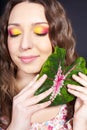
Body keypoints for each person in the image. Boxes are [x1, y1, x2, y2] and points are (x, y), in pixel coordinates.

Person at [0, 0, 87, 129]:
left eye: (40, 31)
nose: (25, 45)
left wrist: (81, 124)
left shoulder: (80, 97)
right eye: (15, 33)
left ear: (58, 36)